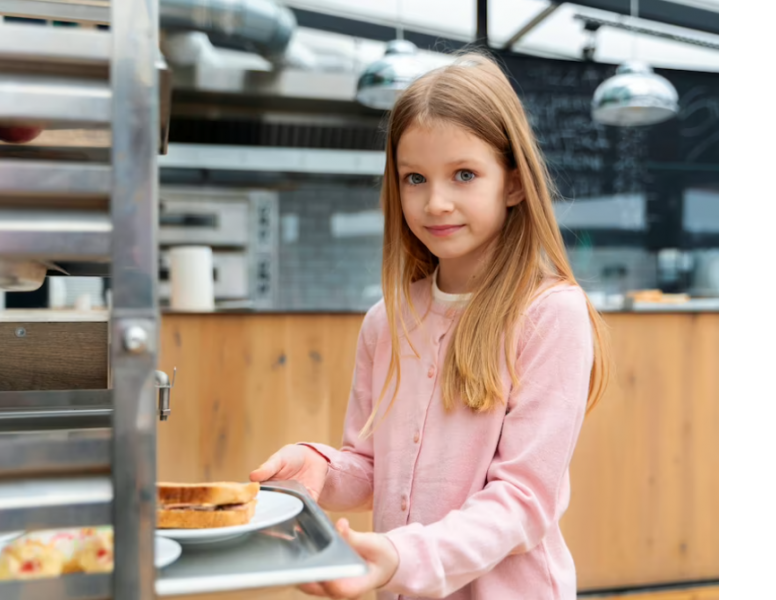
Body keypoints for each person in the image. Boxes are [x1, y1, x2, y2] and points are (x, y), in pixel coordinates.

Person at [250, 52, 611, 600]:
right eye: (414, 178)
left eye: (464, 174)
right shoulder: (385, 323)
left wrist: (400, 556)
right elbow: (374, 469)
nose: (435, 202)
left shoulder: (551, 315)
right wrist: (319, 467)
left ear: (513, 183)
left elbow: (524, 500)